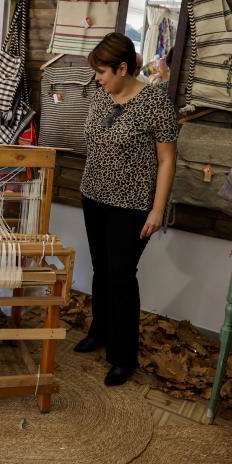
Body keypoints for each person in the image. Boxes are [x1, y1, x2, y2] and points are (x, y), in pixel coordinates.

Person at [74, 32, 178, 386]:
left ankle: (123, 356)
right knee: (101, 269)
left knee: (121, 276)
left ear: (122, 67)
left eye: (102, 71)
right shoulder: (102, 97)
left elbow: (166, 160)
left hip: (131, 205)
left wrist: (157, 209)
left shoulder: (155, 103)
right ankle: (99, 331)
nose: (98, 78)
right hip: (94, 196)